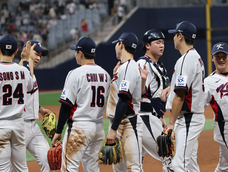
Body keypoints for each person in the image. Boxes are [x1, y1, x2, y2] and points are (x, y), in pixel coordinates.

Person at [52, 36, 111, 171]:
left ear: (81, 53)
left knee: (69, 167)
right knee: (91, 166)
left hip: (80, 128)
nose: (75, 55)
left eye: (76, 51)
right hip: (98, 127)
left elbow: (66, 105)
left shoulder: (75, 73)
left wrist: (59, 130)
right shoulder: (105, 74)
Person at [163, 21, 206, 172]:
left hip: (188, 118)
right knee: (191, 165)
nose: (173, 38)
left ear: (180, 36)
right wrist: (171, 87)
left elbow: (180, 96)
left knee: (178, 164)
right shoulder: (195, 57)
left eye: (175, 34)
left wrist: (171, 124)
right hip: (192, 116)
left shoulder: (186, 59)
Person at [105, 32, 143, 171]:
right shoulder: (124, 68)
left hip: (128, 123)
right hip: (119, 122)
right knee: (119, 169)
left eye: (117, 44)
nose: (116, 47)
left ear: (121, 45)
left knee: (134, 168)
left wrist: (113, 129)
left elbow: (124, 99)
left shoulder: (129, 67)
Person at [137, 29, 173, 172]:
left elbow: (157, 94)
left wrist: (161, 116)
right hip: (144, 116)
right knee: (168, 156)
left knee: (136, 162)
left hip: (152, 116)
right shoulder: (142, 63)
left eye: (163, 42)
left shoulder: (159, 66)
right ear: (147, 45)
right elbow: (140, 93)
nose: (162, 45)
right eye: (157, 42)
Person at [204, 42, 228, 172]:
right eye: (217, 56)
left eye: (224, 56)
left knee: (224, 166)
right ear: (212, 58)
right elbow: (199, 104)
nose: (221, 59)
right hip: (225, 127)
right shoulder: (208, 82)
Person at [0, 35, 33, 172]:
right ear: (16, 51)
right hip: (18, 124)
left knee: (3, 168)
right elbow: (30, 87)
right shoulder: (24, 71)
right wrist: (24, 60)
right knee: (21, 167)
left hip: (1, 124)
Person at [19, 40, 52, 172]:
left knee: (48, 161)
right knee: (15, 167)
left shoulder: (31, 73)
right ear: (26, 51)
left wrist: (40, 109)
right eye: (36, 53)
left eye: (40, 55)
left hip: (33, 126)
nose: (38, 57)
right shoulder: (20, 72)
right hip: (20, 127)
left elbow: (27, 97)